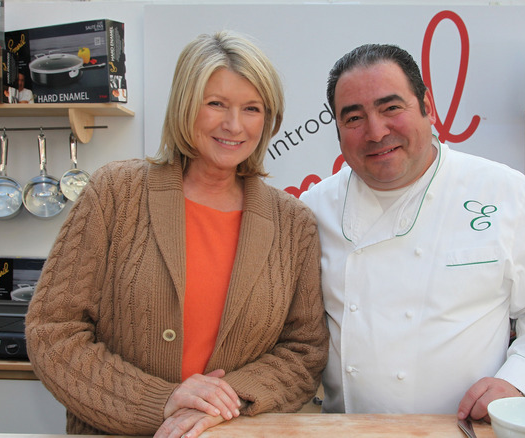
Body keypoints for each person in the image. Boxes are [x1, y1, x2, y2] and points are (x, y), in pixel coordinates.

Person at [25, 30, 328, 438]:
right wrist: (159, 401)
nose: (234, 125)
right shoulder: (115, 193)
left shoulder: (294, 224)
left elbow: (303, 351)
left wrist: (226, 400)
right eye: (216, 104)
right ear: (186, 106)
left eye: (252, 108)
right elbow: (52, 331)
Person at [300, 43, 525, 421]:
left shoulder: (506, 194)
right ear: (337, 129)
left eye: (391, 108)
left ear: (427, 106)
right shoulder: (312, 210)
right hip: (351, 431)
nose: (376, 131)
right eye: (353, 118)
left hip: (467, 429)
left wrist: (521, 384)